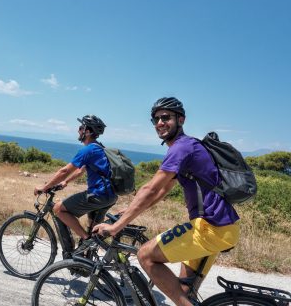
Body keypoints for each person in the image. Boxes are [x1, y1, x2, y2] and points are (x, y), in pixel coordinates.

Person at [93, 97, 240, 306]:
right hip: (220, 228)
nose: (160, 123)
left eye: (165, 117)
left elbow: (150, 187)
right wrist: (127, 211)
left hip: (211, 228)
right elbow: (160, 192)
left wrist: (116, 226)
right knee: (182, 290)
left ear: (181, 119)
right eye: (155, 119)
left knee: (145, 255)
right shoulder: (188, 146)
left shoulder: (182, 147)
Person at [34, 115, 117, 247]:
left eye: (81, 128)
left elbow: (64, 171)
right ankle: (86, 260)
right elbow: (80, 170)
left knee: (58, 209)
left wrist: (45, 187)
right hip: (110, 196)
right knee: (94, 231)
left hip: (98, 195)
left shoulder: (88, 149)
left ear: (88, 131)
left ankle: (86, 240)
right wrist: (66, 182)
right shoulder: (99, 148)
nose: (78, 130)